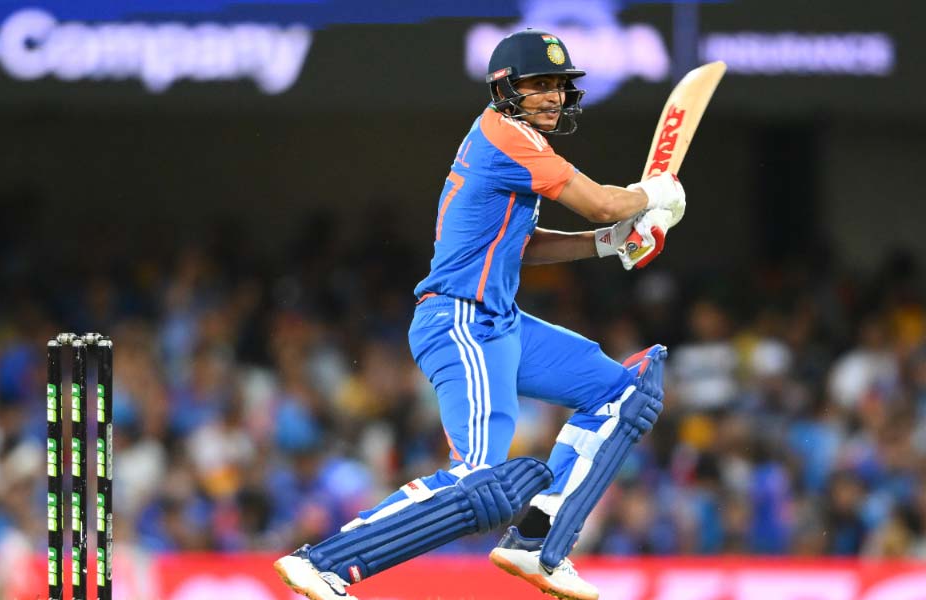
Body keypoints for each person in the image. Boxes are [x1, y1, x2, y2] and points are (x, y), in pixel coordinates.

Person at [273, 28, 683, 600]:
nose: (553, 97)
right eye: (539, 84)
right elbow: (602, 202)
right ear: (504, 89)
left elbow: (523, 244)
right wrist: (653, 193)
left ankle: (540, 542)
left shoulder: (512, 142)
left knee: (624, 393)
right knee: (478, 479)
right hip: (461, 322)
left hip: (499, 320)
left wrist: (607, 243)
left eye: (559, 86)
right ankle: (326, 562)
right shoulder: (507, 135)